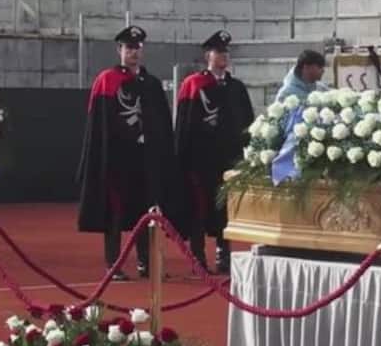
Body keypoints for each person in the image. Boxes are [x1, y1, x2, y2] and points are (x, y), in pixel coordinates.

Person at [77, 25, 184, 280]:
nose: (133, 53)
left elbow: (161, 125)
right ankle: (113, 264)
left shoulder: (152, 84)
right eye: (128, 48)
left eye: (137, 48)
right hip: (117, 160)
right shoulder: (107, 80)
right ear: (119, 50)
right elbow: (99, 125)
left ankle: (145, 263)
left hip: (146, 162)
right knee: (114, 212)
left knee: (147, 212)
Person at [174, 30, 255, 275]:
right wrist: (182, 158)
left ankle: (223, 254)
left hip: (228, 158)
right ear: (208, 55)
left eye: (226, 52)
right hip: (200, 159)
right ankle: (197, 255)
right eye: (219, 52)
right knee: (199, 207)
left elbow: (247, 122)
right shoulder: (193, 84)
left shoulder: (236, 87)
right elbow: (184, 125)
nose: (224, 56)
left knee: (225, 209)